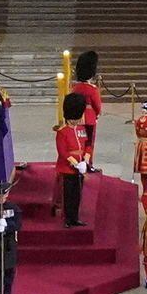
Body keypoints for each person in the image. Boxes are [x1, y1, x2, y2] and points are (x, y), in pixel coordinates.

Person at [53, 90, 91, 228]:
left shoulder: (81, 129)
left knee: (77, 195)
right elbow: (63, 152)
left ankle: (75, 217)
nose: (76, 120)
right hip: (67, 169)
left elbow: (87, 145)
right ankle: (68, 219)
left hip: (80, 167)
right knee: (68, 196)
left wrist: (86, 161)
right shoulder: (62, 132)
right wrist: (76, 164)